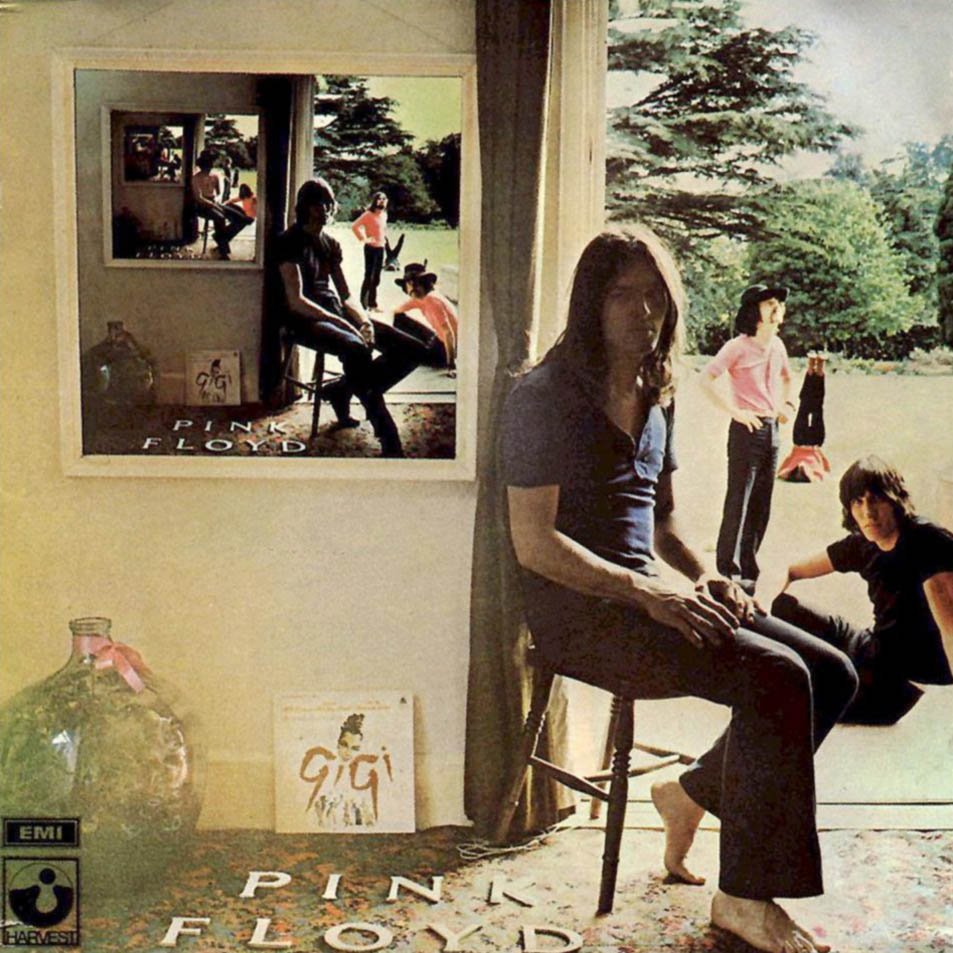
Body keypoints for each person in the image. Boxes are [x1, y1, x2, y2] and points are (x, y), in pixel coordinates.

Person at [502, 227, 857, 953]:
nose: (643, 312)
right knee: (777, 676)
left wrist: (705, 576)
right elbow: (533, 543)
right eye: (622, 295)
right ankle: (743, 897)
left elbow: (661, 522)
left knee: (834, 672)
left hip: (649, 598)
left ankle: (690, 793)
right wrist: (650, 595)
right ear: (590, 302)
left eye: (655, 296)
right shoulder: (542, 396)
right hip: (581, 614)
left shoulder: (656, 388)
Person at [772, 455, 953, 724]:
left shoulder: (928, 542)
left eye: (876, 499)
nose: (868, 512)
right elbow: (790, 570)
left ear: (895, 500)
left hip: (901, 682)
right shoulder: (862, 544)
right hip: (873, 648)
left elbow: (951, 630)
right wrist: (759, 604)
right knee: (781, 606)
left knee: (796, 706)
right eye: (858, 501)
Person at [275, 178, 428, 457]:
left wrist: (364, 322)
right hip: (303, 320)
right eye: (320, 203)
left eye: (329, 203)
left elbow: (345, 295)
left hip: (333, 311)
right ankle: (388, 435)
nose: (326, 209)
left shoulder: (330, 243)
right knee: (356, 348)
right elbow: (297, 301)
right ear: (305, 207)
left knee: (413, 349)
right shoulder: (289, 241)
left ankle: (342, 389)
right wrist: (345, 324)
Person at [700, 284, 795, 595]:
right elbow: (705, 379)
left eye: (779, 303)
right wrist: (736, 412)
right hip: (746, 431)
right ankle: (727, 570)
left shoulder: (777, 346)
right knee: (738, 501)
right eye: (769, 303)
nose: (777, 308)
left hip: (771, 430)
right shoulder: (737, 346)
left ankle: (749, 567)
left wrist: (787, 406)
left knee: (761, 503)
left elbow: (787, 379)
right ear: (754, 311)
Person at [392, 262, 459, 375]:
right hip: (439, 341)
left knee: (404, 345)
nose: (412, 287)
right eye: (410, 284)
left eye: (415, 284)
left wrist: (451, 365)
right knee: (399, 318)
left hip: (445, 351)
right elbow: (396, 311)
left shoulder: (432, 300)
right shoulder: (422, 298)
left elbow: (448, 333)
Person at [777, 353, 831, 483]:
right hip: (812, 443)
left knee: (806, 405)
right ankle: (817, 369)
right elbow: (825, 470)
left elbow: (782, 472)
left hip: (802, 442)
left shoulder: (792, 467)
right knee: (815, 405)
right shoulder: (812, 470)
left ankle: (814, 369)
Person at [190, 148, 252, 260]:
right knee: (219, 217)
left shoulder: (215, 176)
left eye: (210, 163)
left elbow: (218, 193)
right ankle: (223, 251)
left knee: (243, 218)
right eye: (206, 164)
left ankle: (220, 237)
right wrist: (212, 204)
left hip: (215, 202)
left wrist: (217, 202)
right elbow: (198, 198)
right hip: (201, 205)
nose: (209, 166)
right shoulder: (196, 178)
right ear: (202, 165)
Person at [351, 191, 389, 311]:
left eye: (384, 199)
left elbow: (383, 230)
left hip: (380, 248)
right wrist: (364, 239)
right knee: (368, 276)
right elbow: (355, 226)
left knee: (376, 278)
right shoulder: (368, 214)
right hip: (370, 249)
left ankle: (372, 304)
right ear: (375, 201)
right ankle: (363, 304)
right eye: (379, 199)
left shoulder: (384, 215)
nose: (382, 201)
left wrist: (384, 241)